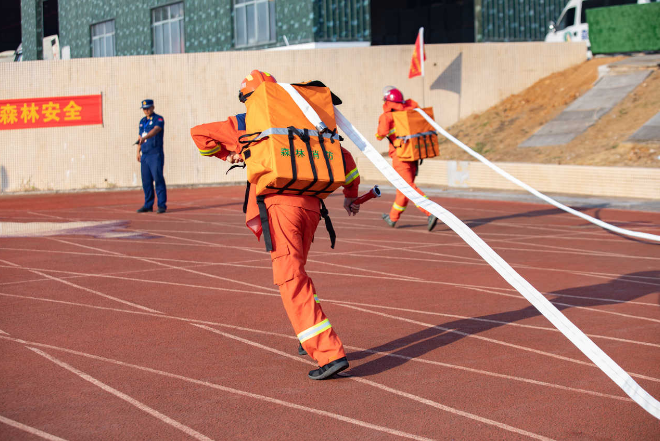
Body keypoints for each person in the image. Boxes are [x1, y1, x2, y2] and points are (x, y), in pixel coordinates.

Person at [190, 70, 361, 380]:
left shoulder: (246, 123)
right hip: (311, 205)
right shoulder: (309, 121)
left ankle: (328, 352)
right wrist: (351, 196)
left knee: (290, 277)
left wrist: (231, 152)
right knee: (298, 273)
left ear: (250, 99)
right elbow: (346, 160)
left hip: (281, 206)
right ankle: (306, 333)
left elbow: (199, 135)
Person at [376, 87, 437, 231]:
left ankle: (430, 211)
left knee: (408, 187)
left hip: (400, 157)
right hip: (414, 154)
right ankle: (392, 217)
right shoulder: (411, 110)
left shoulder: (387, 116)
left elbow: (379, 135)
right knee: (403, 188)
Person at [136, 99, 167, 213]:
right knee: (146, 181)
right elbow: (140, 137)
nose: (146, 110)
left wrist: (146, 137)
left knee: (158, 179)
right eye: (144, 109)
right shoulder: (142, 121)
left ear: (153, 107)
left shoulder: (158, 119)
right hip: (145, 155)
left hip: (155, 154)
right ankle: (148, 204)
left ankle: (161, 205)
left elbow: (156, 130)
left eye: (148, 108)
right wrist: (138, 151)